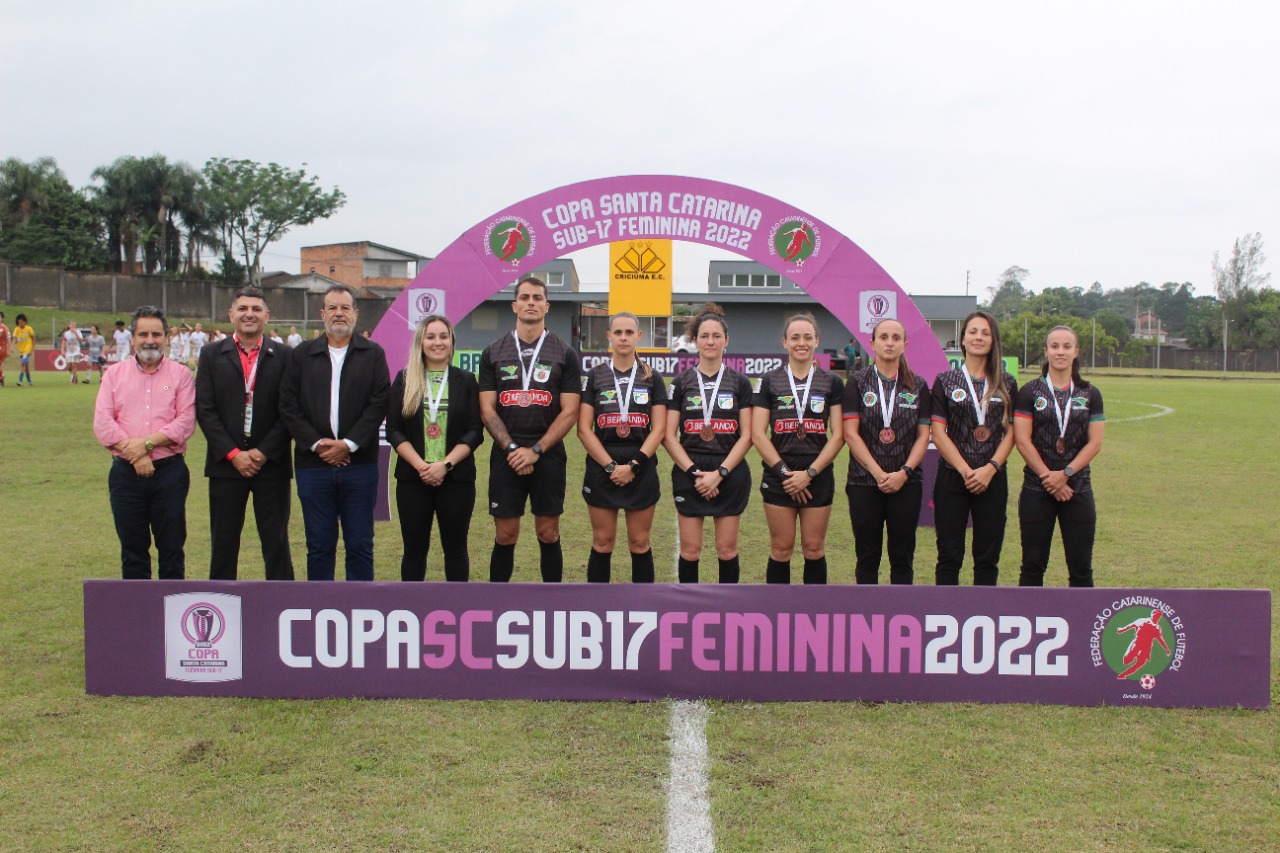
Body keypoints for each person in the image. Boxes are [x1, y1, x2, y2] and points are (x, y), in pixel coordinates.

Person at [280, 284, 390, 581]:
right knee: (319, 546)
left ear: (356, 313)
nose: (338, 313)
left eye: (345, 308)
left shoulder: (373, 354)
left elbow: (379, 402)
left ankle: (359, 605)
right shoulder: (302, 354)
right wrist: (317, 444)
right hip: (313, 466)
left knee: (360, 545)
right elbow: (288, 404)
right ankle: (320, 605)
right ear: (322, 314)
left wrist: (349, 444)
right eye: (332, 308)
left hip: (360, 465)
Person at [477, 276, 581, 583]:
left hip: (548, 453)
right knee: (505, 534)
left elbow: (570, 411)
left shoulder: (565, 353)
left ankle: (553, 603)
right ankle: (498, 603)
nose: (531, 303)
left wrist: (536, 450)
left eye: (537, 298)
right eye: (525, 298)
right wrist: (512, 449)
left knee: (548, 533)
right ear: (514, 306)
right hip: (506, 454)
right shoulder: (493, 352)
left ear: (547, 306)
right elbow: (486, 409)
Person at [195, 286, 295, 581]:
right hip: (227, 465)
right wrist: (233, 454)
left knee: (276, 543)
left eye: (255, 309)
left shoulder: (286, 356)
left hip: (271, 464)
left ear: (267, 315)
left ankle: (282, 601)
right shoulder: (211, 354)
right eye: (242, 308)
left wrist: (263, 452)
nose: (249, 314)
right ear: (231, 314)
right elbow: (205, 409)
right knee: (223, 544)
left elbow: (290, 410)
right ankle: (220, 602)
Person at [92, 306, 196, 579]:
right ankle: (137, 607)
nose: (150, 340)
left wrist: (145, 445)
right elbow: (103, 423)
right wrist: (137, 456)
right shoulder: (114, 375)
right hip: (126, 474)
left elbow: (185, 422)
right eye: (143, 334)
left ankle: (171, 606)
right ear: (133, 338)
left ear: (167, 338)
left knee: (171, 549)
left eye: (156, 334)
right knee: (133, 551)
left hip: (169, 474)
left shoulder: (181, 375)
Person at [387, 314, 483, 581]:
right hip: (413, 479)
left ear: (452, 342)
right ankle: (413, 606)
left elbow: (475, 431)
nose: (437, 342)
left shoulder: (466, 381)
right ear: (421, 342)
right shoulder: (404, 379)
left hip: (456, 479)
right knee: (414, 551)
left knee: (456, 550)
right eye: (430, 337)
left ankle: (457, 605)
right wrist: (422, 467)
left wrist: (445, 465)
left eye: (443, 336)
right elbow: (394, 429)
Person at [751, 314, 845, 584]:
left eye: (807, 337)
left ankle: (813, 608)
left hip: (818, 474)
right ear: (785, 342)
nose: (801, 343)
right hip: (779, 475)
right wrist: (786, 474)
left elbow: (838, 435)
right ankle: (777, 607)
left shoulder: (832, 381)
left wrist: (810, 473)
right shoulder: (769, 380)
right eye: (795, 337)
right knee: (781, 549)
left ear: (817, 341)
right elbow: (758, 434)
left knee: (814, 548)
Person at [663, 305, 754, 583]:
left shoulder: (740, 382)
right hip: (690, 472)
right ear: (695, 340)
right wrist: (694, 472)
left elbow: (748, 435)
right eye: (704, 336)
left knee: (727, 551)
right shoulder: (681, 383)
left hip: (729, 471)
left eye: (716, 336)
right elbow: (668, 435)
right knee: (690, 551)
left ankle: (728, 607)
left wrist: (720, 473)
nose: (710, 341)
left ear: (726, 340)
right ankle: (688, 607)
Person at [577, 312, 668, 583]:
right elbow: (584, 429)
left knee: (639, 542)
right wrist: (610, 467)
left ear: (639, 336)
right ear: (609, 336)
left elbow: (659, 429)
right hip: (602, 465)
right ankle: (598, 604)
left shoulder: (652, 377)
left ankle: (643, 604)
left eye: (629, 332)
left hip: (641, 465)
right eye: (618, 332)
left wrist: (634, 466)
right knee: (602, 541)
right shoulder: (595, 376)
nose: (623, 338)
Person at [930, 310, 1018, 586]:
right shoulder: (946, 381)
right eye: (973, 332)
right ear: (963, 339)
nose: (978, 337)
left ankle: (984, 611)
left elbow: (1012, 432)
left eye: (985, 333)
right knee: (949, 557)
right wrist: (966, 471)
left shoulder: (1007, 382)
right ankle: (945, 611)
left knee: (987, 559)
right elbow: (938, 433)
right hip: (953, 477)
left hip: (992, 478)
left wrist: (990, 468)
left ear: (993, 340)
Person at [1013, 325, 1105, 587]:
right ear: (1046, 351)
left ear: (1076, 352)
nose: (1060, 352)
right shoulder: (1030, 391)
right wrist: (1049, 477)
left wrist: (1065, 474)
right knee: (1032, 566)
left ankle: (1082, 614)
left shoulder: (1090, 393)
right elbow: (1022, 440)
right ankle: (1030, 613)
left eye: (1067, 346)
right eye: (1054, 346)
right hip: (1037, 488)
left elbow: (1095, 443)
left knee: (1081, 568)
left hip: (1077, 488)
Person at [842, 318, 931, 584]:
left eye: (895, 338)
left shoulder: (918, 385)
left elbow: (923, 435)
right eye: (883, 337)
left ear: (905, 345)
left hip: (906, 483)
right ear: (872, 344)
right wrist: (879, 473)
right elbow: (850, 433)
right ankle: (867, 610)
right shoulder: (857, 382)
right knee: (867, 557)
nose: (889, 343)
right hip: (864, 481)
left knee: (902, 558)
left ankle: (900, 610)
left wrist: (904, 473)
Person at [12, 314, 35, 385]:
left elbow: (33, 340)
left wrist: (32, 350)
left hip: (27, 349)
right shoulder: (16, 329)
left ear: (25, 322)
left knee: (23, 364)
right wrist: (12, 347)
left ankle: (20, 380)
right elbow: (14, 339)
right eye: (19, 323)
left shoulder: (29, 329)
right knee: (26, 366)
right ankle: (29, 381)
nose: (20, 324)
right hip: (21, 350)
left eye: (21, 323)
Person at [0, 312, 9, 387]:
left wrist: (8, 350)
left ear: (2, 319)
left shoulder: (4, 328)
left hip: (2, 350)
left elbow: (8, 339)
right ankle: (1, 377)